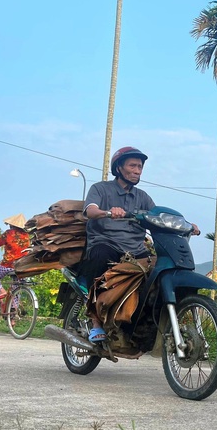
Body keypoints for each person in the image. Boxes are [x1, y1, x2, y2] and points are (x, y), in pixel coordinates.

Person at [79, 146, 199, 343]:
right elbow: (90, 210)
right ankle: (96, 322)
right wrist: (107, 212)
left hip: (136, 251)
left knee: (158, 273)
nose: (137, 170)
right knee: (99, 255)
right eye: (132, 166)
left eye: (140, 167)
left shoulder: (143, 197)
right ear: (119, 168)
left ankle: (140, 323)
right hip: (106, 244)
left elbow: (158, 217)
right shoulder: (100, 189)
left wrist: (186, 225)